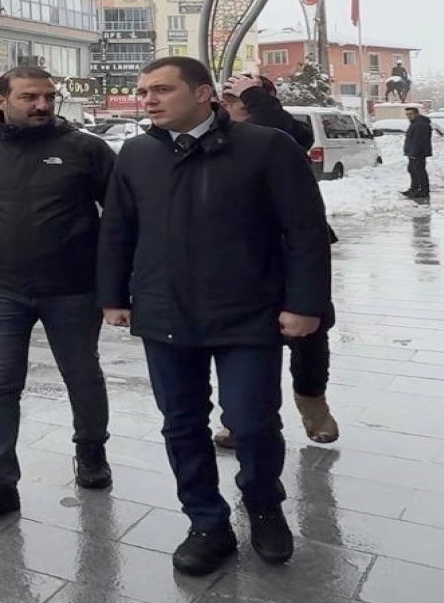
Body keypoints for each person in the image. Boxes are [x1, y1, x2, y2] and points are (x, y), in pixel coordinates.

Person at [98, 58, 331, 577]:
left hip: (248, 314)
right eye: (143, 91)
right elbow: (117, 230)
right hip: (165, 313)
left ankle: (265, 505)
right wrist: (112, 296)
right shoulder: (136, 154)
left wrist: (305, 304)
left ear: (203, 93)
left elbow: (305, 232)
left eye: (162, 89)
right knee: (181, 424)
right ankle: (206, 522)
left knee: (251, 423)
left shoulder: (266, 147)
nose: (149, 100)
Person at [0, 67, 115, 530]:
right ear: (0, 99)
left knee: (81, 373)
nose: (41, 105)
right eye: (28, 97)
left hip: (74, 287)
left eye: (48, 97)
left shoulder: (86, 150)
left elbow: (119, 221)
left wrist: (114, 284)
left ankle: (91, 448)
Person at [220, 74, 340, 444]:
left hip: (292, 252)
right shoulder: (216, 138)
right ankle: (239, 418)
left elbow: (282, 130)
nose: (228, 104)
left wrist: (255, 95)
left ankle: (312, 401)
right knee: (238, 344)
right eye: (225, 96)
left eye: (237, 98)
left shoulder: (286, 135)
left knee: (308, 336)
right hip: (237, 254)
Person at [403, 107, 433, 199]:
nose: (408, 116)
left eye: (410, 114)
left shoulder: (420, 124)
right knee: (412, 170)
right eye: (407, 114)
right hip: (412, 152)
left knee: (419, 171)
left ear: (416, 114)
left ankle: (424, 191)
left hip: (418, 153)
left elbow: (419, 141)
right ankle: (414, 189)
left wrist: (415, 153)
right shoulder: (415, 123)